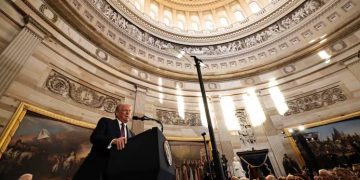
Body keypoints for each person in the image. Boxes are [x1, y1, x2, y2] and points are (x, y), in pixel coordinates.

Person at [73, 103, 134, 180]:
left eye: (130, 111)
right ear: (117, 113)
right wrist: (112, 141)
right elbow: (94, 137)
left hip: (116, 173)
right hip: (96, 168)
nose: (128, 113)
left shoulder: (132, 134)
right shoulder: (106, 122)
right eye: (125, 110)